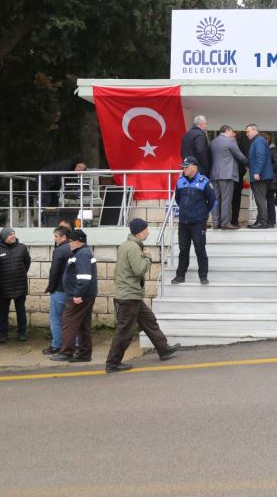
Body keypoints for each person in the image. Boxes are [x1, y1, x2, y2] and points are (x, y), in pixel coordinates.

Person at [105, 218, 181, 373]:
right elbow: (139, 270)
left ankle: (163, 349)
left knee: (149, 321)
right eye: (147, 229)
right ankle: (113, 363)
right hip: (128, 296)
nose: (149, 232)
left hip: (132, 294)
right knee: (124, 331)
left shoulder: (128, 245)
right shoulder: (133, 247)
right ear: (140, 231)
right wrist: (148, 257)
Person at [50, 229, 97, 362]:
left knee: (68, 322)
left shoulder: (82, 254)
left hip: (79, 296)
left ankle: (66, 352)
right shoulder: (82, 252)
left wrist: (78, 294)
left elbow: (84, 277)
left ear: (78, 241)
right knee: (83, 325)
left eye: (70, 242)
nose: (69, 244)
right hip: (85, 294)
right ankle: (84, 354)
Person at [171, 156, 217, 284]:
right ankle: (180, 276)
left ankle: (203, 276)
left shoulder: (204, 182)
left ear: (194, 167)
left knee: (200, 249)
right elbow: (178, 199)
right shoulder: (180, 181)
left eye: (186, 167)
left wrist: (203, 213)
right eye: (183, 167)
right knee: (183, 250)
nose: (183, 169)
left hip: (198, 223)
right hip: (183, 223)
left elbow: (212, 201)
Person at [0, 227, 31, 342]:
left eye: (14, 234)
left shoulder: (22, 248)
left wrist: (20, 274)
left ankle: (22, 332)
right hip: (4, 286)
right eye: (10, 234)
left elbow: (27, 263)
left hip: (20, 284)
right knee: (3, 310)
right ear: (3, 237)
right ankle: (3, 334)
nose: (13, 236)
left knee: (21, 309)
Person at [210, 125, 248, 230]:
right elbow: (239, 155)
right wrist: (248, 163)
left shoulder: (213, 142)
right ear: (227, 131)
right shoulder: (230, 141)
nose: (233, 134)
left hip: (214, 175)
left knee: (216, 200)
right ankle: (225, 223)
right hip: (227, 174)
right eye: (232, 132)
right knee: (226, 199)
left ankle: (216, 223)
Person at [42, 227, 72, 355]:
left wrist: (51, 287)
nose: (54, 239)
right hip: (72, 290)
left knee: (56, 318)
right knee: (71, 318)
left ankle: (57, 345)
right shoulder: (75, 248)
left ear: (63, 237)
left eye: (56, 236)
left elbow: (54, 271)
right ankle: (74, 344)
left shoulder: (59, 250)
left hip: (59, 289)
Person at [245, 124, 274, 228]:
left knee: (260, 199)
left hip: (260, 176)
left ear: (254, 130)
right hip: (259, 175)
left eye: (248, 132)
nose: (247, 134)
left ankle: (263, 222)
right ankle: (259, 221)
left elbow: (260, 157)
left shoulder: (259, 140)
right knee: (259, 199)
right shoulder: (257, 141)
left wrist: (257, 172)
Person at [262, 131, 277, 228]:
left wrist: (267, 170)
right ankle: (267, 220)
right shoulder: (267, 149)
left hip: (270, 179)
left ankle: (271, 221)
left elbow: (276, 162)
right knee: (265, 200)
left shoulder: (272, 149)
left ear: (266, 140)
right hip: (267, 178)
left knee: (270, 200)